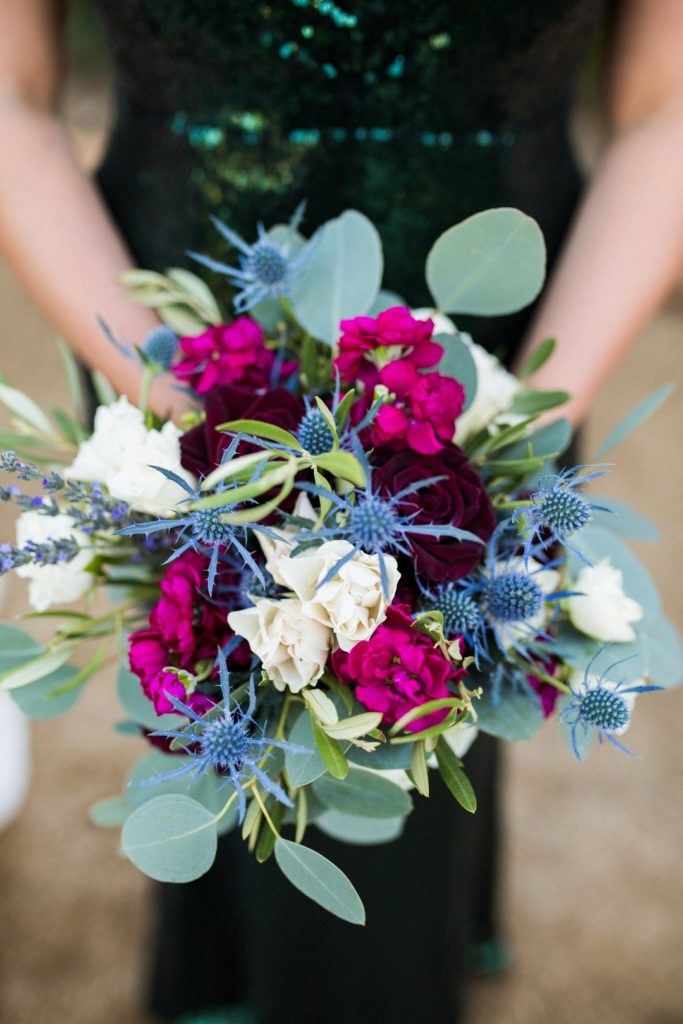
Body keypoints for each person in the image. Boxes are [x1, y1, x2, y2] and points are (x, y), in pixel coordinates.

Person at [1, 2, 682, 1022]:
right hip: (174, 335)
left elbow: (663, 104)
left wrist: (514, 413)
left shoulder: (498, 399)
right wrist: (192, 414)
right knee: (220, 700)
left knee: (432, 712)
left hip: (497, 348)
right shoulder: (181, 385)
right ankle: (223, 969)